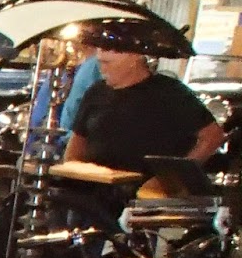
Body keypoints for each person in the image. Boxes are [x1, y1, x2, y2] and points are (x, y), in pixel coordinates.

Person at [63, 23, 224, 195]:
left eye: (108, 64)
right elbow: (76, 143)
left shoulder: (170, 93)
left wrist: (172, 178)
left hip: (145, 197)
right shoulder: (96, 92)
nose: (103, 69)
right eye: (101, 63)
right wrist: (74, 171)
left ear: (135, 58)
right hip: (96, 195)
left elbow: (212, 137)